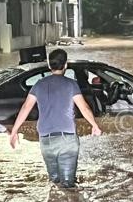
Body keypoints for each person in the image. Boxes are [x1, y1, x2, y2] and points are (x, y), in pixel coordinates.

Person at [9, 49, 102, 189]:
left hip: (46, 140)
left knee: (55, 182)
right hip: (67, 140)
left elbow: (25, 109)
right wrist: (94, 125)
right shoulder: (71, 84)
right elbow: (84, 108)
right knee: (68, 184)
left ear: (49, 65)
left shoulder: (38, 85)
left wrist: (14, 131)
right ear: (65, 65)